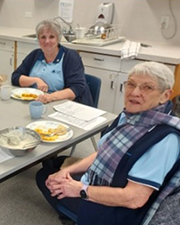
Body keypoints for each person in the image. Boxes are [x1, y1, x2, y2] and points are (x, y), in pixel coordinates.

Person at [36, 61, 180, 225]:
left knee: (43, 177)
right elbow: (104, 153)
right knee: (59, 164)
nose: (135, 92)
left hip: (116, 212)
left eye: (148, 87)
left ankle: (73, 217)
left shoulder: (165, 140)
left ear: (165, 96)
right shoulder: (130, 116)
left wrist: (79, 190)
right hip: (104, 181)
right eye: (131, 84)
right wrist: (67, 170)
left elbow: (135, 199)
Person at [11, 19, 93, 106]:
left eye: (51, 37)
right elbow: (15, 77)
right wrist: (36, 80)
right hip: (37, 103)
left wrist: (50, 97)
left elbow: (77, 88)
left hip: (64, 105)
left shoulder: (70, 57)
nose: (47, 41)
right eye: (43, 37)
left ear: (58, 39)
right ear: (38, 39)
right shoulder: (35, 55)